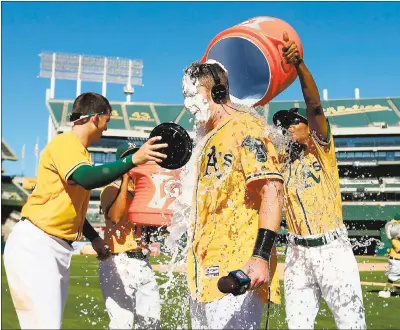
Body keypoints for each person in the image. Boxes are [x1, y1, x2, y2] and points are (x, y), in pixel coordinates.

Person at [3, 92, 167, 329]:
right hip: (37, 243)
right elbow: (86, 178)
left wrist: (93, 237)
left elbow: (72, 206)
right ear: (95, 118)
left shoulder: (80, 152)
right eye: (106, 121)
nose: (105, 129)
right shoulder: (66, 143)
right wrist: (132, 161)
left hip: (53, 245)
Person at [272, 33, 367, 329]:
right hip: (297, 251)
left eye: (292, 123)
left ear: (307, 128)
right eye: (283, 125)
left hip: (332, 249)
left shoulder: (321, 150)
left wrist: (298, 64)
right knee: (297, 325)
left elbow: (314, 106)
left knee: (351, 323)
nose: (287, 128)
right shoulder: (281, 165)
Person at [181, 60, 285, 329]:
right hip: (204, 272)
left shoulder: (246, 127)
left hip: (237, 266)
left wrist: (260, 257)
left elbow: (272, 190)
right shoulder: (207, 138)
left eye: (192, 95)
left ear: (215, 94)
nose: (187, 105)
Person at [98, 142, 161, 329]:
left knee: (151, 324)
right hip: (118, 261)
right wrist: (126, 179)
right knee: (122, 324)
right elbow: (115, 216)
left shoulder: (145, 191)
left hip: (142, 260)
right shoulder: (109, 189)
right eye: (132, 159)